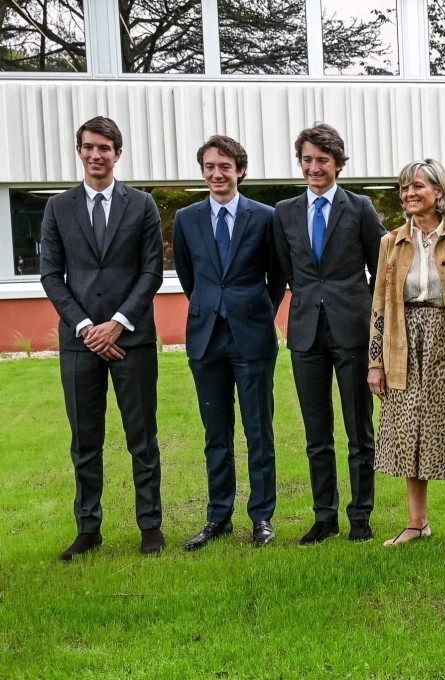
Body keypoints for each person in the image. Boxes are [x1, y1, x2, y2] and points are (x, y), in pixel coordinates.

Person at [40, 116, 165, 560]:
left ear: (118, 153)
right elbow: (51, 275)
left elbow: (152, 270)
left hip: (131, 339)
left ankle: (150, 526)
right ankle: (88, 528)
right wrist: (86, 327)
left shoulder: (142, 205)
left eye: (105, 148)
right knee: (85, 440)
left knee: (142, 438)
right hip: (80, 344)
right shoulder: (58, 207)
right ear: (79, 151)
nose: (97, 155)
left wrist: (117, 322)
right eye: (89, 147)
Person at [273, 123, 386, 545]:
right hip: (305, 333)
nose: (314, 167)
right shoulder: (284, 212)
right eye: (307, 160)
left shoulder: (360, 208)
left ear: (338, 163)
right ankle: (324, 517)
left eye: (322, 160)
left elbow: (381, 270)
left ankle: (361, 516)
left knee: (359, 431)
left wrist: (364, 311)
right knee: (316, 434)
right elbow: (285, 269)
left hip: (352, 331)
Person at [367, 159, 445, 549]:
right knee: (409, 432)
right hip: (402, 345)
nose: (409, 194)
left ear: (439, 191)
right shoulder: (390, 243)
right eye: (404, 187)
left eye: (418, 186)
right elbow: (379, 306)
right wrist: (375, 362)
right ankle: (417, 523)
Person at [173, 135, 286, 550]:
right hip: (206, 337)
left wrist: (255, 310)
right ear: (202, 171)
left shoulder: (266, 217)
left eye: (225, 166)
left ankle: (262, 517)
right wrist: (212, 306)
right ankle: (218, 516)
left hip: (252, 335)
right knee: (216, 434)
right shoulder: (186, 218)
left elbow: (277, 276)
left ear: (240, 170)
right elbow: (188, 275)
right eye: (210, 167)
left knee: (259, 431)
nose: (217, 174)